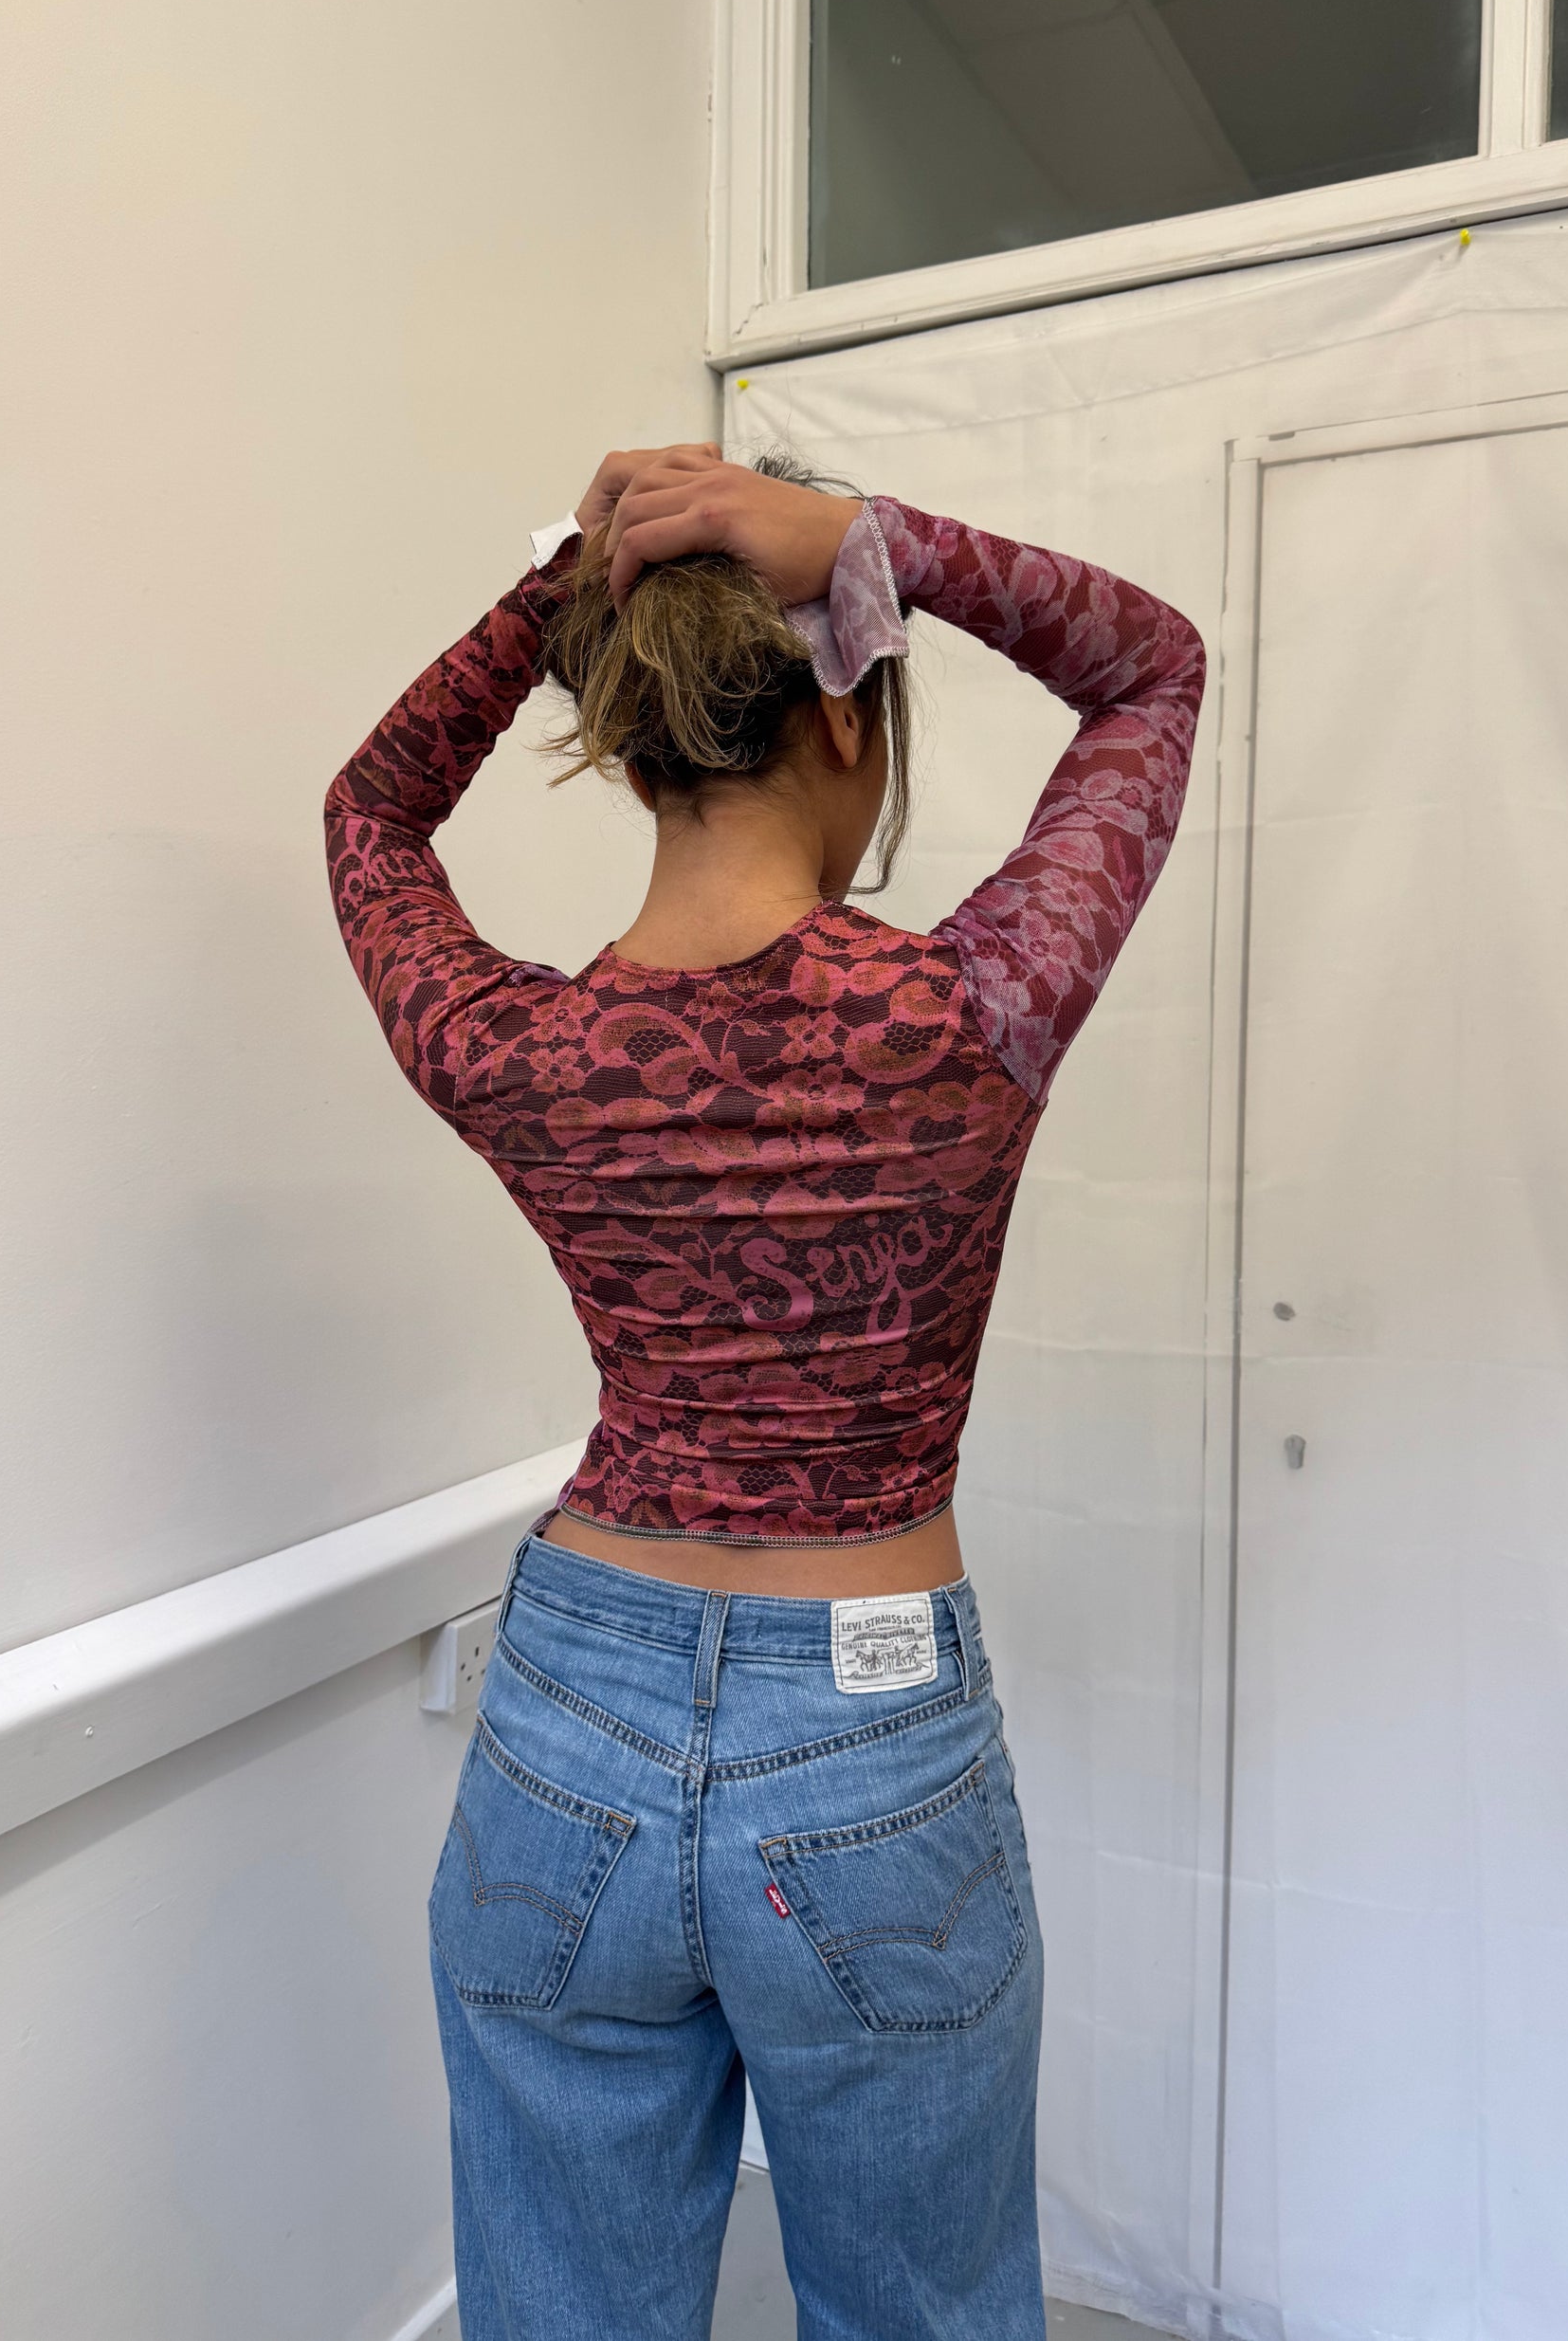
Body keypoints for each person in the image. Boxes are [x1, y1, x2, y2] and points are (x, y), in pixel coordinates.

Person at [324, 444, 1206, 2340]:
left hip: (566, 1717)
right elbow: (1153, 666)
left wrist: (557, 592)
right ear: (849, 716)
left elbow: (370, 812)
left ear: (632, 745)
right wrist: (883, 547)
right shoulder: (969, 1012)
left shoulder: (520, 1047)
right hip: (867, 1737)